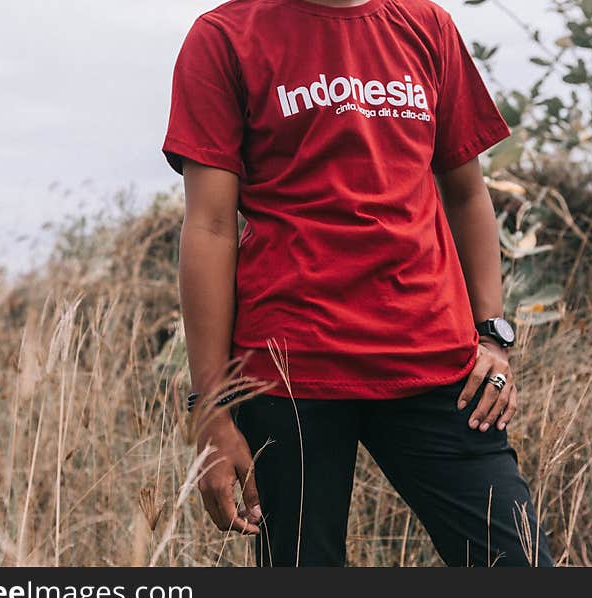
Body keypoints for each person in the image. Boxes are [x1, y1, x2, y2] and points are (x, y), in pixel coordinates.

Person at [162, 0, 554, 567]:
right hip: (289, 374)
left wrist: (492, 334)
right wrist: (212, 411)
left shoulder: (426, 25)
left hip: (438, 363)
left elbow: (467, 194)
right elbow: (210, 225)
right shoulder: (225, 36)